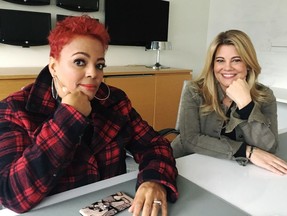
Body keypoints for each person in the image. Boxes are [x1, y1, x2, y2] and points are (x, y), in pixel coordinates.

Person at [0, 15, 178, 215]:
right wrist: (69, 117)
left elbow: (155, 145)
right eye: (79, 62)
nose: (93, 73)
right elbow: (11, 193)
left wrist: (154, 179)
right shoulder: (14, 109)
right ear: (53, 66)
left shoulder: (114, 100)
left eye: (99, 64)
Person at [171, 29, 287, 175]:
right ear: (213, 65)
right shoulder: (194, 90)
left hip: (233, 173)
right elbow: (190, 140)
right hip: (186, 164)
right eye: (220, 60)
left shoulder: (265, 96)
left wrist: (246, 105)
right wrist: (245, 151)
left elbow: (269, 148)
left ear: (248, 64)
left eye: (236, 60)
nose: (227, 68)